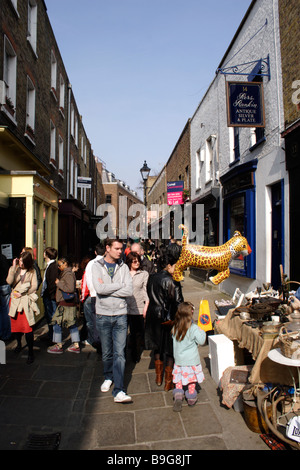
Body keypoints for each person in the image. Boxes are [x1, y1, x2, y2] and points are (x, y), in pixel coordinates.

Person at [92, 239, 133, 403]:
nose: (120, 251)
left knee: (120, 353)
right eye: (116, 248)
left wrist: (109, 288)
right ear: (107, 248)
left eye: (121, 249)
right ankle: (108, 376)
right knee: (107, 352)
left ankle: (119, 390)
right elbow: (99, 289)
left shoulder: (123, 266)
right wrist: (118, 285)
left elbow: (129, 290)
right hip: (103, 314)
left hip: (121, 314)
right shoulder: (96, 266)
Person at [145, 253, 184, 391]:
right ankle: (168, 382)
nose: (177, 268)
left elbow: (149, 294)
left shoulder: (152, 277)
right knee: (169, 348)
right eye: (175, 266)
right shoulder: (173, 280)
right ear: (168, 265)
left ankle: (158, 377)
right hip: (167, 316)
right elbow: (179, 302)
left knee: (157, 346)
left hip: (152, 314)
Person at [171, 302, 206, 411]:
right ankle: (191, 397)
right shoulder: (194, 328)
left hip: (179, 360)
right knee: (191, 380)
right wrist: (202, 331)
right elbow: (202, 340)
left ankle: (178, 396)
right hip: (191, 360)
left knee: (179, 379)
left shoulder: (175, 327)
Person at [6, 251, 39, 364]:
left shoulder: (32, 271)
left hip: (25, 302)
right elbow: (9, 281)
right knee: (16, 327)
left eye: (22, 261)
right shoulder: (15, 269)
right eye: (19, 260)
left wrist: (23, 292)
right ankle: (19, 344)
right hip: (15, 301)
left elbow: (34, 285)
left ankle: (30, 352)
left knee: (28, 327)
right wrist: (13, 267)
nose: (20, 262)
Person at [47, 256, 80, 354]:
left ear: (65, 264)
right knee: (70, 323)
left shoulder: (68, 274)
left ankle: (59, 345)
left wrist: (59, 283)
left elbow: (69, 289)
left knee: (58, 323)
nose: (58, 267)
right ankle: (75, 345)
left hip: (65, 303)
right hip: (66, 303)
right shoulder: (67, 273)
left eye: (60, 265)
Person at [126, 251, 149, 363]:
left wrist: (146, 306)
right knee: (123, 333)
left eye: (138, 261)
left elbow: (145, 291)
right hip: (124, 307)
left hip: (138, 307)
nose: (136, 263)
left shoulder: (144, 274)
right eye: (134, 261)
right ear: (129, 262)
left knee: (137, 333)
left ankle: (135, 355)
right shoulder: (124, 273)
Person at [81, 243, 105, 350]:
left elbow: (85, 281)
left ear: (95, 252)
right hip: (104, 295)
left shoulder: (90, 263)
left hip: (93, 294)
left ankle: (94, 339)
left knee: (92, 320)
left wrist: (84, 296)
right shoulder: (108, 262)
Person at [41, 247, 58, 341]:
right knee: (49, 316)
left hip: (50, 296)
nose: (43, 254)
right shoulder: (50, 265)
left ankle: (53, 337)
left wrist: (48, 293)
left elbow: (51, 283)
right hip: (49, 295)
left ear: (47, 255)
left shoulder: (53, 266)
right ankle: (51, 335)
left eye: (44, 252)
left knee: (52, 316)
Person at [0, 253, 11, 341]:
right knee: (5, 311)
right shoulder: (3, 257)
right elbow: (8, 272)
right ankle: (6, 334)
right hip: (4, 285)